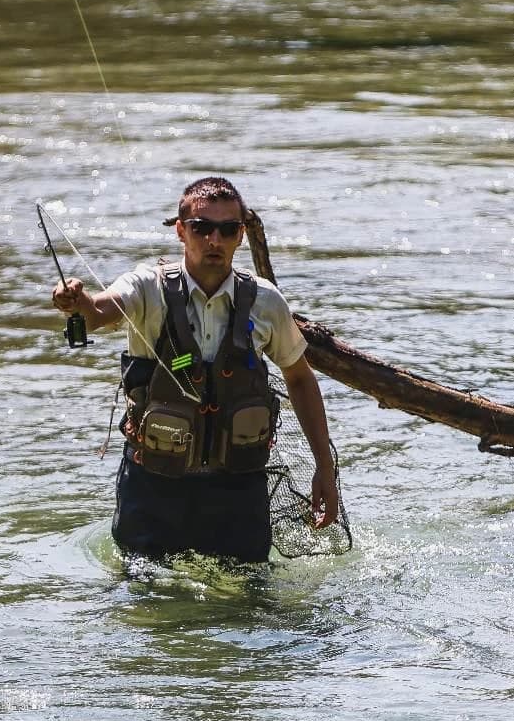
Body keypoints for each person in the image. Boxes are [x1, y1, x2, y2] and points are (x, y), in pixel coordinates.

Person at [52, 176, 341, 563]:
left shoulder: (266, 302)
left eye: (228, 229)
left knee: (252, 609)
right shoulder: (145, 288)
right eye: (202, 227)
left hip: (239, 493)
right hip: (153, 489)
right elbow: (102, 310)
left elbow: (300, 378)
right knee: (145, 605)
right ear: (180, 230)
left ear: (241, 235)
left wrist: (324, 467)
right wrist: (78, 302)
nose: (214, 240)